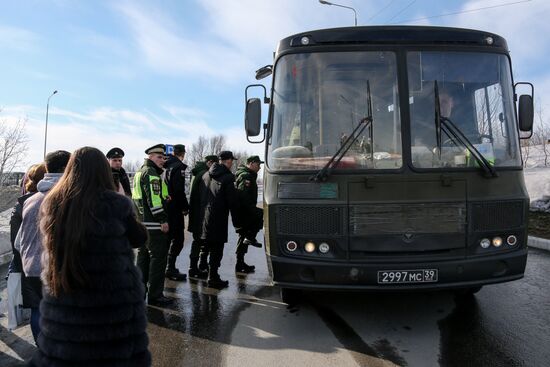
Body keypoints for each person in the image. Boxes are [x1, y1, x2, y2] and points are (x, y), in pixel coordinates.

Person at [31, 146, 151, 367]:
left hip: (68, 303)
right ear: (103, 172)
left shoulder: (55, 203)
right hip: (112, 306)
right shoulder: (116, 204)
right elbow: (139, 238)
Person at [16, 150, 70, 344]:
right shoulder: (68, 198)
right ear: (66, 168)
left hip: (30, 267)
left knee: (38, 311)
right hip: (57, 270)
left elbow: (18, 241)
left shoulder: (30, 199)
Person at [6, 163, 46, 330]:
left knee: (37, 308)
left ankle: (41, 345)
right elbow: (17, 242)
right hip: (38, 264)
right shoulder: (41, 201)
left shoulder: (22, 203)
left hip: (28, 264)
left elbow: (16, 242)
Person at [133, 144, 173, 306]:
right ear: (150, 157)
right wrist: (162, 220)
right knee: (158, 259)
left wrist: (165, 196)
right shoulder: (151, 174)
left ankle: (139, 293)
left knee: (142, 259)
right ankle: (156, 295)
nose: (162, 160)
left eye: (164, 158)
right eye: (159, 157)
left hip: (142, 223)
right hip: (154, 224)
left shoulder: (139, 172)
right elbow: (154, 200)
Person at [200, 151, 243, 288]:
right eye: (232, 161)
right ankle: (213, 277)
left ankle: (205, 268)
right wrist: (238, 224)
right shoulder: (228, 177)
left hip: (206, 214)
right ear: (228, 161)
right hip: (219, 217)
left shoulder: (207, 174)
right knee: (217, 247)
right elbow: (233, 203)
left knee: (207, 243)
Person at [187, 155, 217, 279]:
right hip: (200, 212)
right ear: (209, 163)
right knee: (199, 240)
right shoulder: (204, 174)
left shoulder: (197, 173)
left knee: (198, 239)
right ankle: (194, 268)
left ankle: (198, 266)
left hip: (195, 211)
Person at [164, 144, 190, 281]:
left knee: (168, 238)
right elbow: (179, 190)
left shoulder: (164, 166)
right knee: (178, 238)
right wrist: (185, 207)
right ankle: (170, 267)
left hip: (165, 207)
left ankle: (165, 266)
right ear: (183, 154)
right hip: (174, 208)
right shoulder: (178, 167)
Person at [234, 155, 264, 273]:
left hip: (246, 210)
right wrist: (253, 209)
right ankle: (250, 238)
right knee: (259, 215)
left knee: (243, 237)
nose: (259, 168)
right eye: (258, 164)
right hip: (244, 211)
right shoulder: (246, 176)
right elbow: (243, 195)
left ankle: (240, 263)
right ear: (251, 163)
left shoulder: (249, 175)